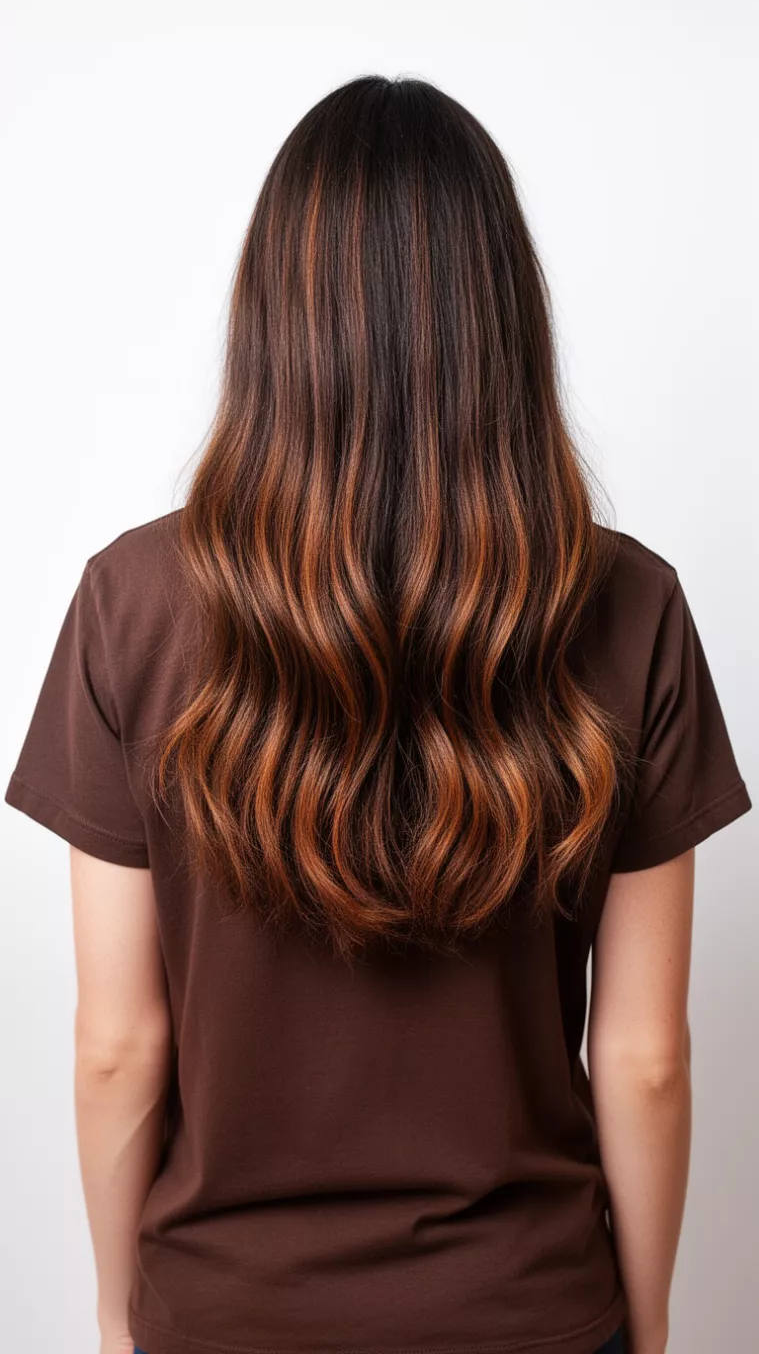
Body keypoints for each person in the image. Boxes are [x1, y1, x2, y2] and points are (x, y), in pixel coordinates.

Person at [4, 74, 752, 1354]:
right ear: (501, 319)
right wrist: (643, 1324)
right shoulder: (632, 606)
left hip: (226, 1318)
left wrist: (119, 1313)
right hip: (530, 1315)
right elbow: (645, 1061)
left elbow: (119, 1046)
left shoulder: (130, 603)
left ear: (272, 319)